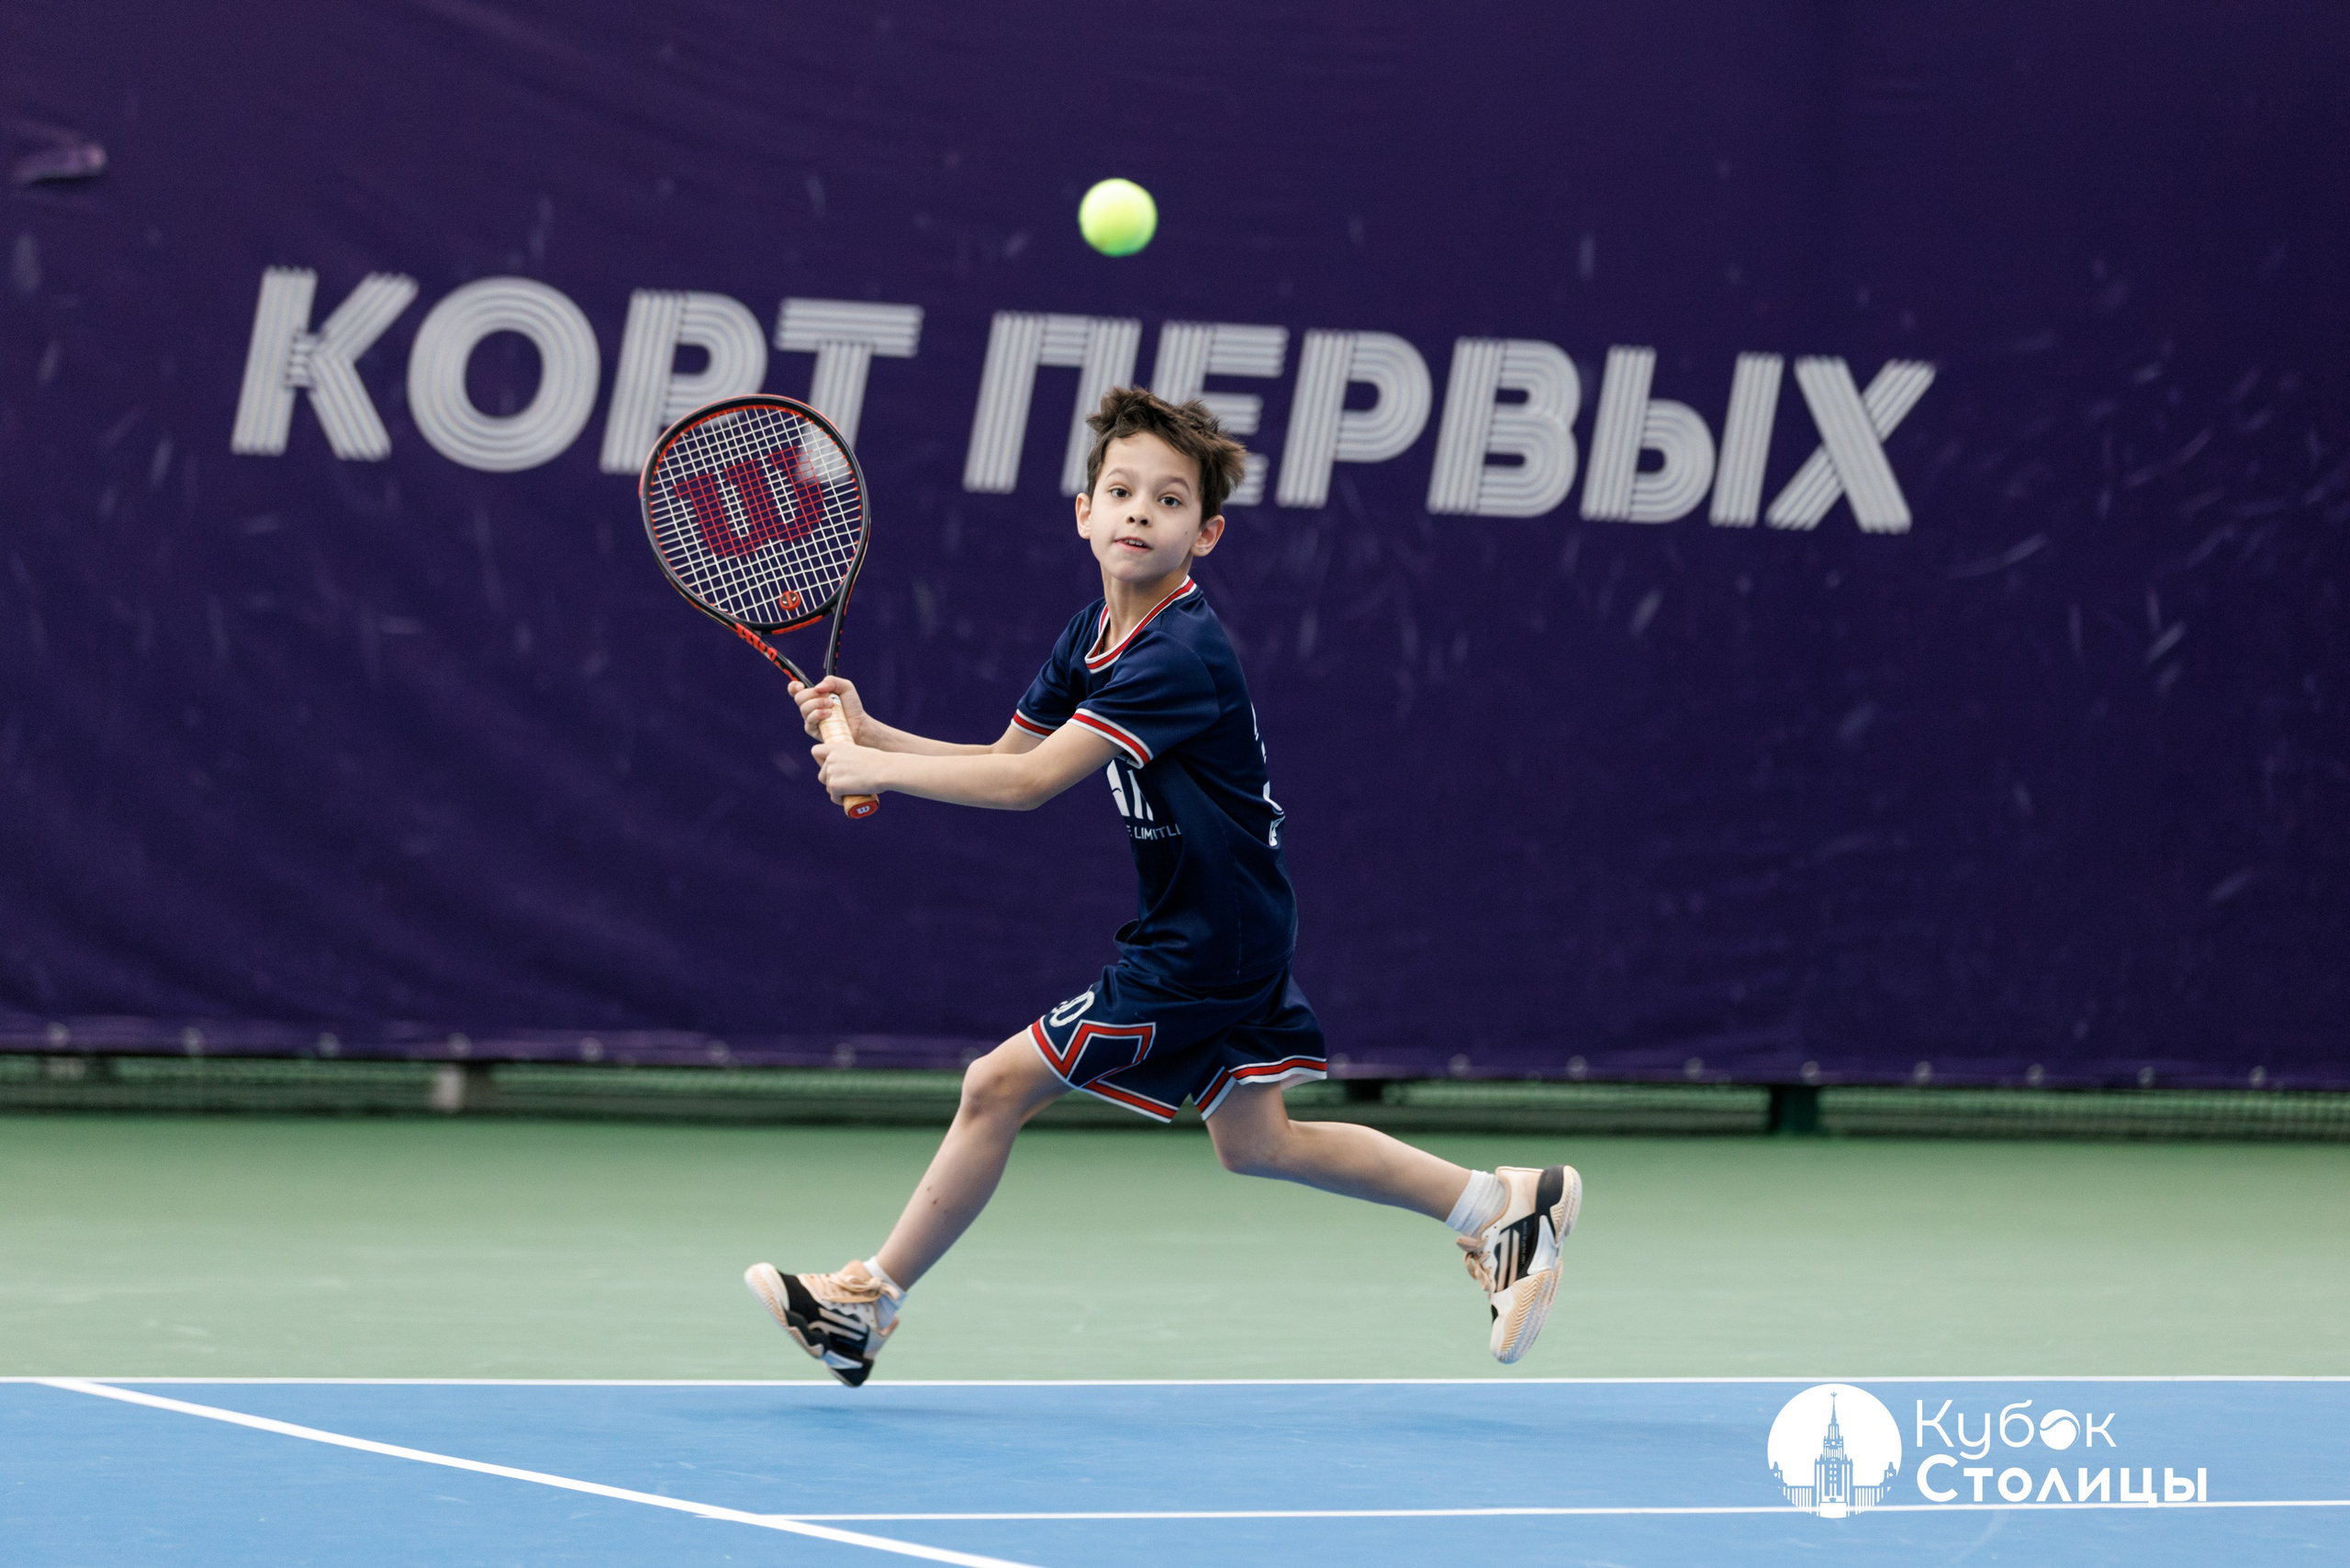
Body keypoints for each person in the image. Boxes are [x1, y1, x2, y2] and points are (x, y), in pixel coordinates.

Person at [744, 387, 1579, 1385]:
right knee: (1257, 1143)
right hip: (1229, 921)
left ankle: (865, 1306)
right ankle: (1501, 1206)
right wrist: (874, 734)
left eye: (1170, 499)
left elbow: (1024, 786)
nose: (1140, 511)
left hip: (1204, 942)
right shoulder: (1089, 633)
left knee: (994, 1085)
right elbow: (1007, 752)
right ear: (1083, 511)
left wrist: (877, 773)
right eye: (1121, 490)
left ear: (1206, 532)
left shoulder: (1176, 653)